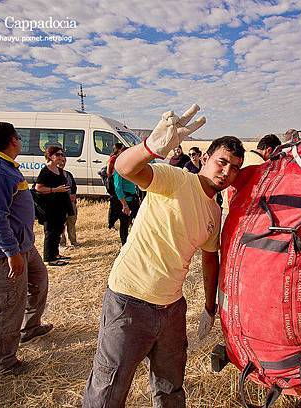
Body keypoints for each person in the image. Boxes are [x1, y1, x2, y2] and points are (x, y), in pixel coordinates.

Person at [83, 105, 244, 408]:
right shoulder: (175, 179)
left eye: (234, 168)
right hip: (129, 300)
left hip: (172, 309)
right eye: (222, 162)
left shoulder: (213, 212)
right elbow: (125, 169)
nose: (226, 172)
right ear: (206, 158)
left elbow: (211, 260)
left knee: (170, 387)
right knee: (109, 388)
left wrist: (210, 308)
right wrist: (149, 148)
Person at [0, 122, 53, 376]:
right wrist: (11, 253)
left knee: (39, 281)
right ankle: (3, 362)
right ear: (14, 140)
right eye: (19, 137)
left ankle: (30, 327)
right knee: (7, 305)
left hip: (22, 246)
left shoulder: (4, 167)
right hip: (5, 252)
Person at [35, 146, 74, 266]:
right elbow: (38, 188)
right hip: (50, 207)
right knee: (51, 232)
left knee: (58, 230)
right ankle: (49, 258)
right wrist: (55, 189)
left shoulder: (59, 170)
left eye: (62, 154)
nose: (61, 157)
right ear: (50, 156)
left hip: (60, 205)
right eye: (58, 154)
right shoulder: (45, 171)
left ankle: (55, 253)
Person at [113, 147, 140, 245]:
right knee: (124, 225)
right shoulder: (118, 170)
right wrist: (125, 205)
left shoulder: (131, 168)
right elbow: (118, 188)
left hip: (134, 199)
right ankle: (124, 245)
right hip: (125, 201)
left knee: (138, 221)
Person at [59, 161, 78, 248]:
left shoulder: (68, 174)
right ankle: (62, 243)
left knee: (71, 222)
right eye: (59, 161)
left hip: (71, 202)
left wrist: (73, 194)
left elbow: (74, 186)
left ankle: (73, 241)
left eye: (63, 161)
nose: (61, 163)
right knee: (61, 224)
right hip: (60, 203)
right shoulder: (53, 175)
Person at [107, 143, 124, 229]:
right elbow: (109, 171)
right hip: (114, 183)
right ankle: (111, 223)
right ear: (118, 150)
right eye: (122, 149)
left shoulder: (118, 158)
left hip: (116, 181)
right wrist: (112, 178)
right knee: (113, 204)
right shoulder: (113, 158)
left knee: (117, 203)